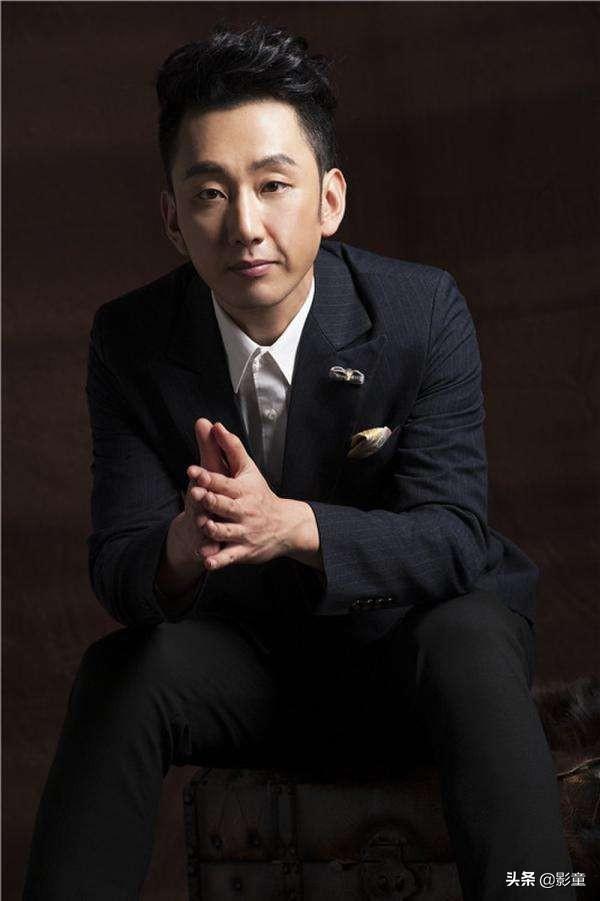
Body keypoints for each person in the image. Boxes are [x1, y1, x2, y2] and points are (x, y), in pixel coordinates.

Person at [23, 23, 576, 900]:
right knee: (121, 673)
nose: (244, 225)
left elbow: (454, 539)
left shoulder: (421, 311)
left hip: (410, 658)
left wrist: (292, 526)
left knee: (470, 634)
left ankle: (538, 890)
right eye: (209, 193)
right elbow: (119, 566)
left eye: (273, 185)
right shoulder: (130, 340)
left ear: (329, 199)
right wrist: (179, 549)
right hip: (256, 671)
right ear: (172, 219)